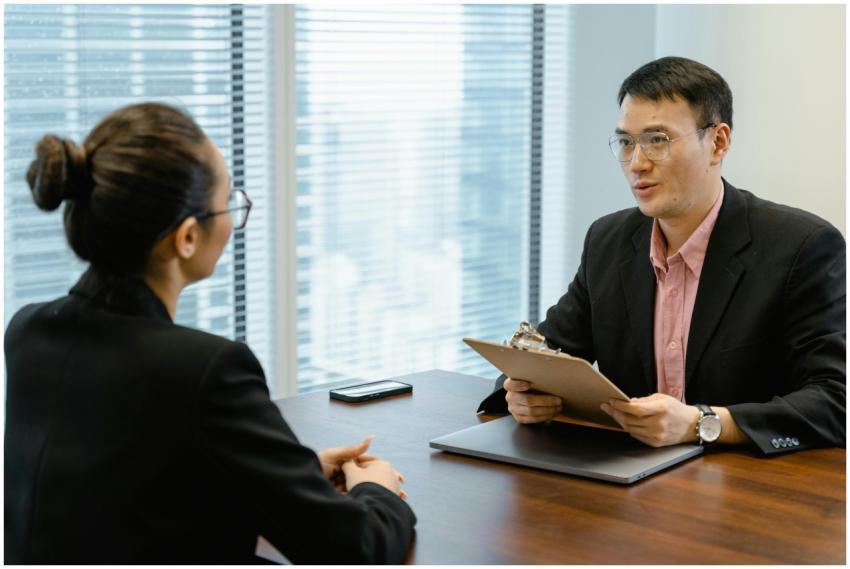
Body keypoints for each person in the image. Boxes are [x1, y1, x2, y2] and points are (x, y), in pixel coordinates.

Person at [4, 102, 416, 563]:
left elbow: (114, 497)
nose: (233, 219)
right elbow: (352, 550)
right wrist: (376, 493)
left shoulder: (28, 331)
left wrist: (290, 475)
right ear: (186, 238)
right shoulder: (203, 369)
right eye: (228, 204)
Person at [479, 56, 845, 455]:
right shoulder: (608, 240)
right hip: (629, 482)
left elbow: (834, 401)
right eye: (626, 142)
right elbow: (544, 354)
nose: (637, 163)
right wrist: (521, 394)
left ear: (718, 142)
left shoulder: (801, 246)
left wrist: (704, 422)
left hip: (746, 489)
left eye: (658, 140)